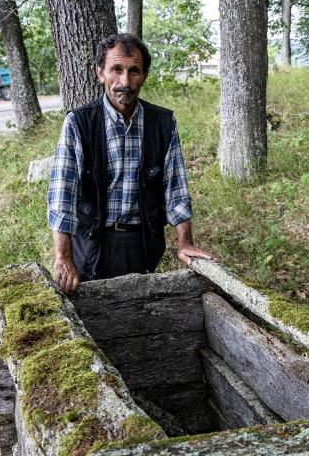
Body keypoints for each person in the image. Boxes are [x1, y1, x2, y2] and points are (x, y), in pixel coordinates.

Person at [46, 33, 214, 294]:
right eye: (116, 70)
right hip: (92, 244)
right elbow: (62, 196)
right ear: (100, 73)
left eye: (134, 71)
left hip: (143, 243)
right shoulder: (79, 123)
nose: (125, 82)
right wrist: (63, 257)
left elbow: (176, 189)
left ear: (144, 75)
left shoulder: (162, 123)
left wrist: (185, 242)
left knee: (138, 309)